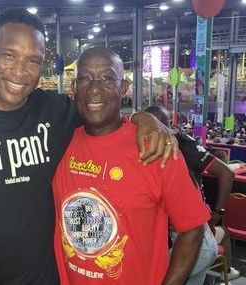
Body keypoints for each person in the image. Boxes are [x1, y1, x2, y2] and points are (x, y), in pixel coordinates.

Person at [0, 8, 178, 285]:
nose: (20, 72)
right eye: (9, 55)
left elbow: (99, 106)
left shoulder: (55, 111)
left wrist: (144, 118)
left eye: (33, 60)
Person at [53, 47, 208, 285]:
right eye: (85, 78)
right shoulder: (59, 144)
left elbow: (192, 228)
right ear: (74, 89)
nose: (94, 88)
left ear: (123, 87)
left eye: (106, 77)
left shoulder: (156, 148)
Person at [145, 105, 239, 283]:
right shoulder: (148, 148)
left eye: (167, 125)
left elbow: (227, 173)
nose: (167, 131)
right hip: (190, 238)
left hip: (190, 239)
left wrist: (218, 212)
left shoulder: (181, 145)